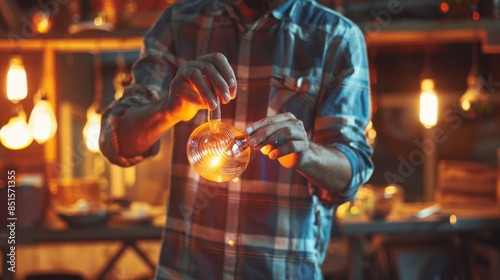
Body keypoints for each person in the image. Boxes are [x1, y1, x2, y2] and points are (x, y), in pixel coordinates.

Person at [99, 0, 373, 279]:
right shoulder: (179, 23)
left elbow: (351, 173)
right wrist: (169, 108)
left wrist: (307, 155)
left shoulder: (337, 37)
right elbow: (116, 143)